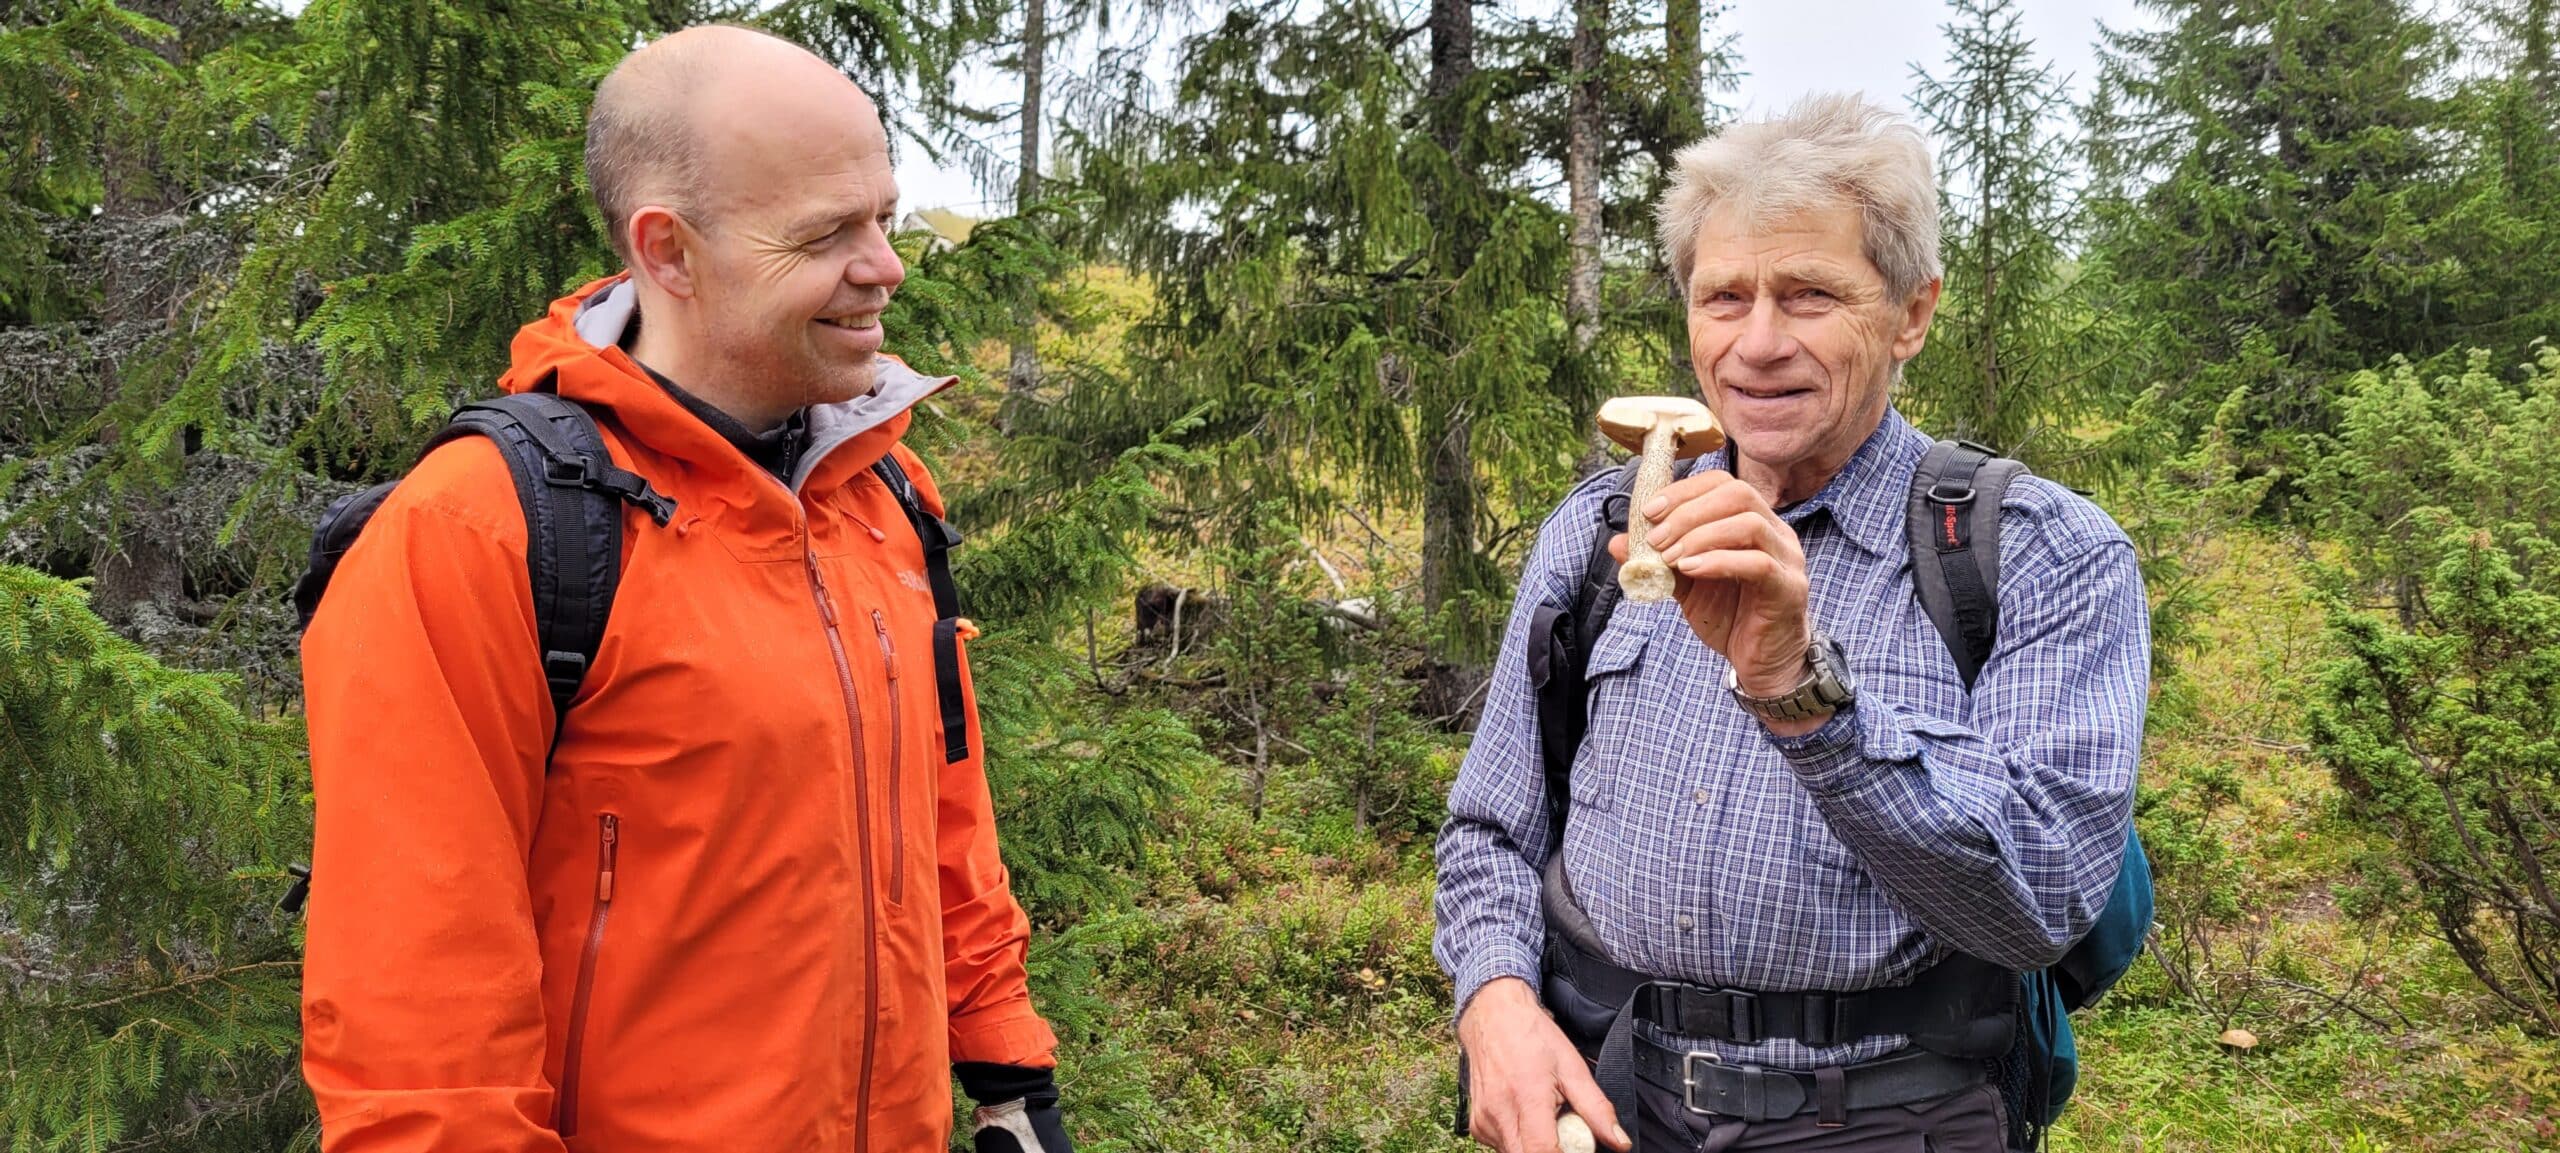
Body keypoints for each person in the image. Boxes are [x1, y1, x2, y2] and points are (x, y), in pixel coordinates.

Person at [298, 26, 1071, 1153]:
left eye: (885, 219)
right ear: (668, 250)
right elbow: (418, 1019)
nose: (886, 266)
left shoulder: (884, 491)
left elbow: (942, 807)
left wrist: (1008, 1073)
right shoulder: (479, 528)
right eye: (827, 233)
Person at [1433, 94, 2147, 1153]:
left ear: (1911, 313)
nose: (1756, 344)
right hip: (1609, 1093)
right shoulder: (1604, 531)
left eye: (1808, 294)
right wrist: (1493, 999)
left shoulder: (2039, 553)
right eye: (1724, 297)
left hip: (1884, 1116)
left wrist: (1796, 687)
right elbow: (1491, 830)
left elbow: (2035, 903)